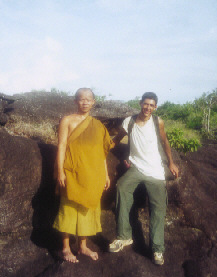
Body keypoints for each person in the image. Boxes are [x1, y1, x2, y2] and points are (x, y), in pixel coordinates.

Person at [109, 92, 179, 265]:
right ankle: (124, 237)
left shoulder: (157, 122)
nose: (148, 108)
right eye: (145, 104)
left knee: (157, 208)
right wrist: (100, 150)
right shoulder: (129, 121)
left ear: (155, 107)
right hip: (136, 167)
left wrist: (171, 162)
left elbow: (165, 142)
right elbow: (116, 140)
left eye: (152, 105)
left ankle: (157, 249)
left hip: (155, 170)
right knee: (121, 188)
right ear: (140, 103)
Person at [53, 88, 113, 263]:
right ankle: (65, 248)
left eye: (88, 99)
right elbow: (62, 145)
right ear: (75, 101)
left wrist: (106, 175)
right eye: (81, 99)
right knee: (69, 209)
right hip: (72, 171)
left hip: (93, 174)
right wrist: (60, 171)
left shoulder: (98, 125)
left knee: (88, 209)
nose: (85, 102)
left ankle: (82, 246)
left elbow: (101, 153)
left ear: (93, 102)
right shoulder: (68, 120)